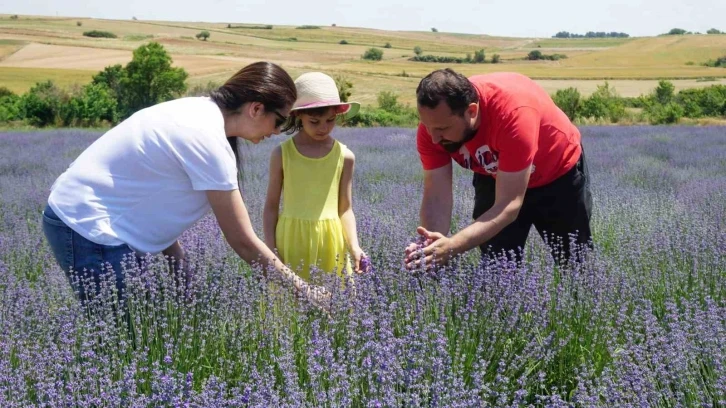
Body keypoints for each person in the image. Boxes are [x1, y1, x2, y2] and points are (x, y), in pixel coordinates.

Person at [42, 61, 328, 307]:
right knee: (125, 341)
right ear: (256, 108)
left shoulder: (198, 112)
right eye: (278, 121)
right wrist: (306, 292)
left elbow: (155, 192)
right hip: (90, 228)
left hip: (91, 222)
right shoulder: (207, 140)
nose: (277, 132)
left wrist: (178, 265)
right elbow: (243, 241)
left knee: (138, 335)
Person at [404, 69, 593, 269]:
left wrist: (452, 246)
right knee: (497, 268)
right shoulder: (435, 125)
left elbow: (509, 205)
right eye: (427, 127)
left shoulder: (512, 116)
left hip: (557, 175)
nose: (434, 138)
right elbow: (436, 197)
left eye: (442, 129)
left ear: (472, 112)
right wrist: (430, 246)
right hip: (494, 174)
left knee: (575, 264)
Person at [264, 72, 368, 283]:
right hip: (291, 239)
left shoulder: (345, 156)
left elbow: (345, 209)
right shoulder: (282, 154)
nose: (323, 127)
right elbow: (271, 206)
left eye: (330, 120)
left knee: (336, 307)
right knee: (289, 309)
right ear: (298, 116)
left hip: (331, 241)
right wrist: (270, 248)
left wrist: (354, 247)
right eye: (315, 121)